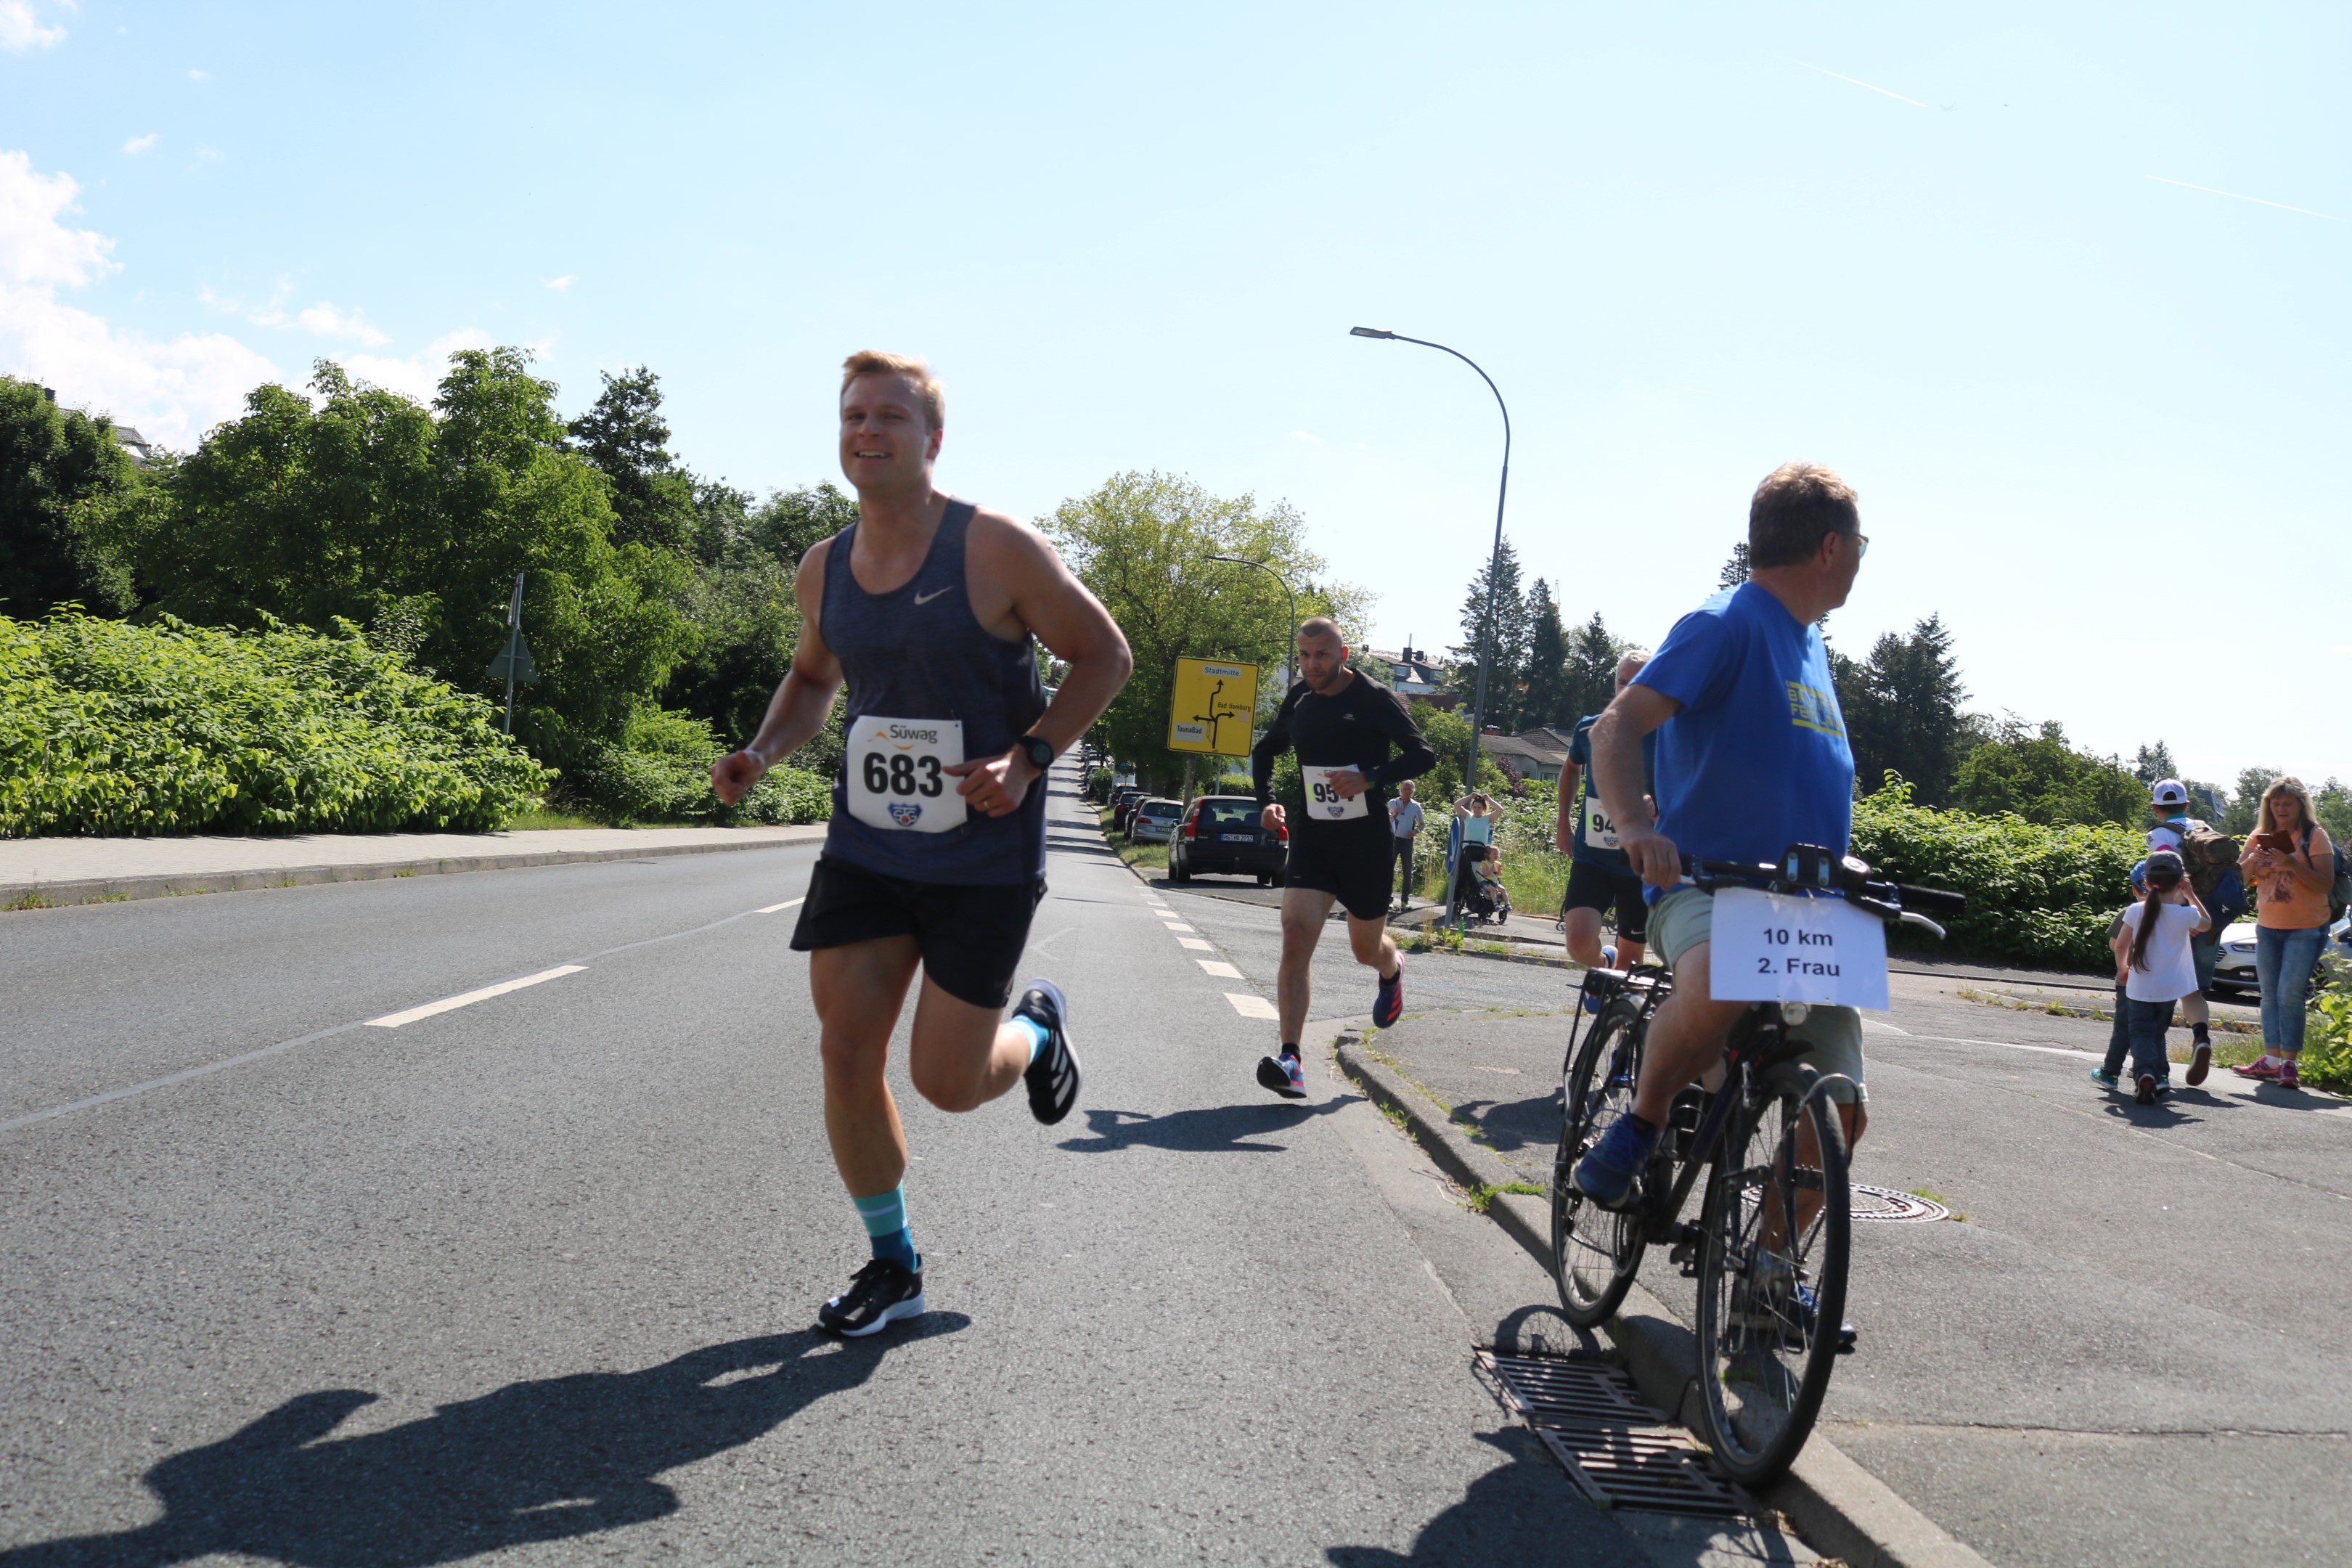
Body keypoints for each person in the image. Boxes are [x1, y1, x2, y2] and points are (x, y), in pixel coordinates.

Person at [709, 350, 1132, 1336]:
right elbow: (812, 678)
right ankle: (893, 1265)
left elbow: (1104, 656)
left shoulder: (996, 549)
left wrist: (1028, 758)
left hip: (982, 858)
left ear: (932, 439)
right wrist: (762, 752)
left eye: (891, 416)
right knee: (846, 1049)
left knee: (947, 1085)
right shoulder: (824, 566)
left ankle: (1035, 1033)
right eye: (853, 415)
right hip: (868, 850)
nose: (868, 430)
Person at [1573, 462, 1872, 1208]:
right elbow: (1616, 728)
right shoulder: (1724, 623)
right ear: (1830, 548)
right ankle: (1642, 1123)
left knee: (1839, 1112)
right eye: (1861, 544)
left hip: (1806, 908)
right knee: (1719, 978)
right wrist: (1636, 826)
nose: (1861, 559)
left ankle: (1766, 1270)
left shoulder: (1810, 643)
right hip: (1707, 885)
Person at [1252, 618, 1437, 1097]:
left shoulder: (1374, 698)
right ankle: (1291, 1059)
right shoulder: (1300, 697)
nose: (1312, 665)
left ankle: (1391, 970)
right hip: (1314, 836)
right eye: (1304, 656)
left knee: (1365, 950)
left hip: (1365, 843)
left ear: (1343, 655)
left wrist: (1369, 778)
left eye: (1322, 656)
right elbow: (1265, 751)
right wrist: (1266, 802)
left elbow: (1423, 754)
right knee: (1295, 935)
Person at [1554, 650, 1656, 979]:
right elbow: (1571, 769)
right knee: (1578, 942)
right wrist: (1563, 822)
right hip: (1594, 857)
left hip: (1640, 862)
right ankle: (1603, 966)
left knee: (1632, 965)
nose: (1629, 690)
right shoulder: (1590, 729)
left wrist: (1657, 806)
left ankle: (1615, 982)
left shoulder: (1669, 734)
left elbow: (1688, 785)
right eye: (1623, 683)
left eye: (1638, 683)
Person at [2232, 776, 2336, 1090]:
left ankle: (2289, 1065)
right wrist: (2252, 861)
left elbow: (2325, 884)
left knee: (2290, 994)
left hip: (2306, 928)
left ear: (2301, 806)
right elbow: (2237, 880)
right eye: (2275, 803)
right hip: (2268, 927)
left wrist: (2291, 863)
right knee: (2268, 994)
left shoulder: (2314, 836)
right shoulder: (2259, 836)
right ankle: (2271, 1060)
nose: (2281, 809)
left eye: (2287, 803)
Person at [2141, 777, 2240, 1084]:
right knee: (2192, 989)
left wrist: (2180, 912)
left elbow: (2166, 872)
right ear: (2186, 804)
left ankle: (2154, 1063)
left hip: (2177, 917)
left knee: (2161, 989)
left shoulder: (2158, 834)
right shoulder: (2203, 828)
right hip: (2208, 916)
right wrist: (2196, 914)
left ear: (2156, 807)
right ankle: (2201, 1036)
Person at [2098, 850, 2211, 1103]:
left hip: (2139, 988)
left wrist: (2123, 969)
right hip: (2168, 990)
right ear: (2180, 883)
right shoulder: (2185, 914)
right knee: (2158, 1033)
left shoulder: (2135, 911)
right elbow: (2206, 923)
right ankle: (2160, 1077)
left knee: (2140, 1033)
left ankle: (2145, 1073)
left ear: (2147, 884)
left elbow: (2120, 945)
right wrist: (2191, 895)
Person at [1389, 778, 1426, 912]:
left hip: (1407, 841)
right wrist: (1394, 814)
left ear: (1413, 791)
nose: (1407, 791)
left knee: (1407, 871)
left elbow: (1422, 824)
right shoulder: (1393, 803)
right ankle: (1388, 900)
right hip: (1393, 839)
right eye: (1405, 789)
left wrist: (1415, 831)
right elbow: (1385, 820)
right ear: (1401, 790)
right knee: (1389, 870)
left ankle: (1405, 901)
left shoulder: (1416, 806)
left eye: (1409, 789)